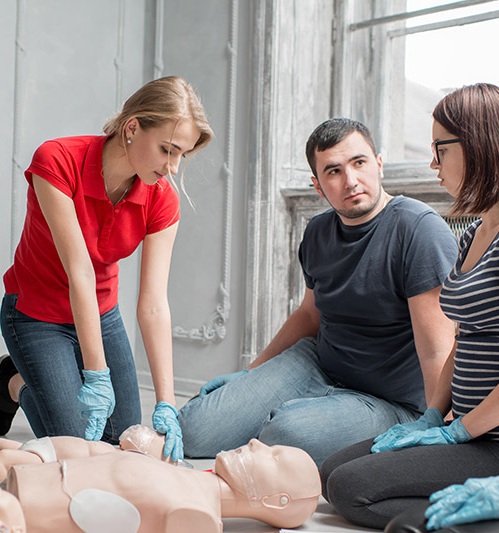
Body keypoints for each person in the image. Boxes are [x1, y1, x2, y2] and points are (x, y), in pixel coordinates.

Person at [178, 117, 458, 466]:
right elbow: (309, 315)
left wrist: (437, 424)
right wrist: (251, 374)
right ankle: (299, 409)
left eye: (359, 163)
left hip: (389, 400)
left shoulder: (418, 229)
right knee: (193, 429)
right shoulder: (318, 231)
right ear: (318, 186)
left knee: (284, 433)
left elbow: (438, 349)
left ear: (379, 165)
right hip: (318, 364)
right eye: (334, 171)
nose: (351, 181)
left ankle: (299, 415)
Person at [0, 76, 213, 462]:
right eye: (167, 150)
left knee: (123, 443)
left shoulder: (161, 201)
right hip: (36, 315)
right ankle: (15, 383)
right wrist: (96, 376)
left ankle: (35, 378)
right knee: (78, 450)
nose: (172, 168)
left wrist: (167, 402)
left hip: (101, 315)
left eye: (181, 156)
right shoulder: (56, 160)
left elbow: (153, 304)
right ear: (132, 127)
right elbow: (80, 272)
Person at [320, 83, 499, 531]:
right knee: (332, 472)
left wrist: (460, 433)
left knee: (351, 489)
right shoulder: (475, 232)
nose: (433, 165)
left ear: (479, 146)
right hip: (467, 431)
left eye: (440, 150)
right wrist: (434, 415)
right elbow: (463, 337)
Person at [5, 438, 320, 531]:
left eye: (274, 457)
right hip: (26, 477)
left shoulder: (197, 517)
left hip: (14, 511)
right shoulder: (182, 474)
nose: (255, 442)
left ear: (275, 500)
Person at [0, 424, 175, 490]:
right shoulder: (114, 447)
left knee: (5, 457)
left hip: (47, 459)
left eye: (146, 435)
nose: (141, 429)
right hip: (43, 445)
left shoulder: (119, 460)